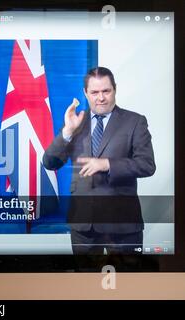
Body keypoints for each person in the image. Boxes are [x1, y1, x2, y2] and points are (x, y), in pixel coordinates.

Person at [42, 67, 156, 255]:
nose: (101, 98)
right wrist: (67, 132)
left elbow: (147, 164)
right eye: (94, 92)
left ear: (115, 89)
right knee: (85, 284)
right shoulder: (76, 122)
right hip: (83, 227)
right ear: (85, 93)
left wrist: (107, 164)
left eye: (106, 91)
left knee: (127, 283)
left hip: (122, 226)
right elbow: (49, 162)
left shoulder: (135, 121)